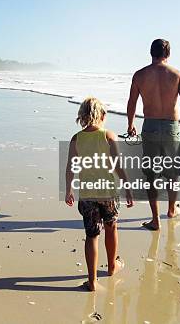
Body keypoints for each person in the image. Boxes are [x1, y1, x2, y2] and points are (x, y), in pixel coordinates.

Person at [126, 39, 180, 231]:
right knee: (172, 173)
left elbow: (132, 103)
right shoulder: (176, 74)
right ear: (168, 54)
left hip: (150, 126)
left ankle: (155, 220)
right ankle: (171, 209)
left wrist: (130, 125)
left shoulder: (140, 75)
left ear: (150, 52)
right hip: (171, 128)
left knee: (151, 175)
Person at [65, 97, 134, 291]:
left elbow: (70, 167)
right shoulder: (109, 136)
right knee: (111, 227)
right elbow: (118, 166)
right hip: (108, 194)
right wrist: (128, 188)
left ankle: (93, 280)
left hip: (87, 195)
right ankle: (112, 266)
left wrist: (68, 189)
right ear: (102, 115)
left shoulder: (76, 138)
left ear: (83, 116)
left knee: (91, 235)